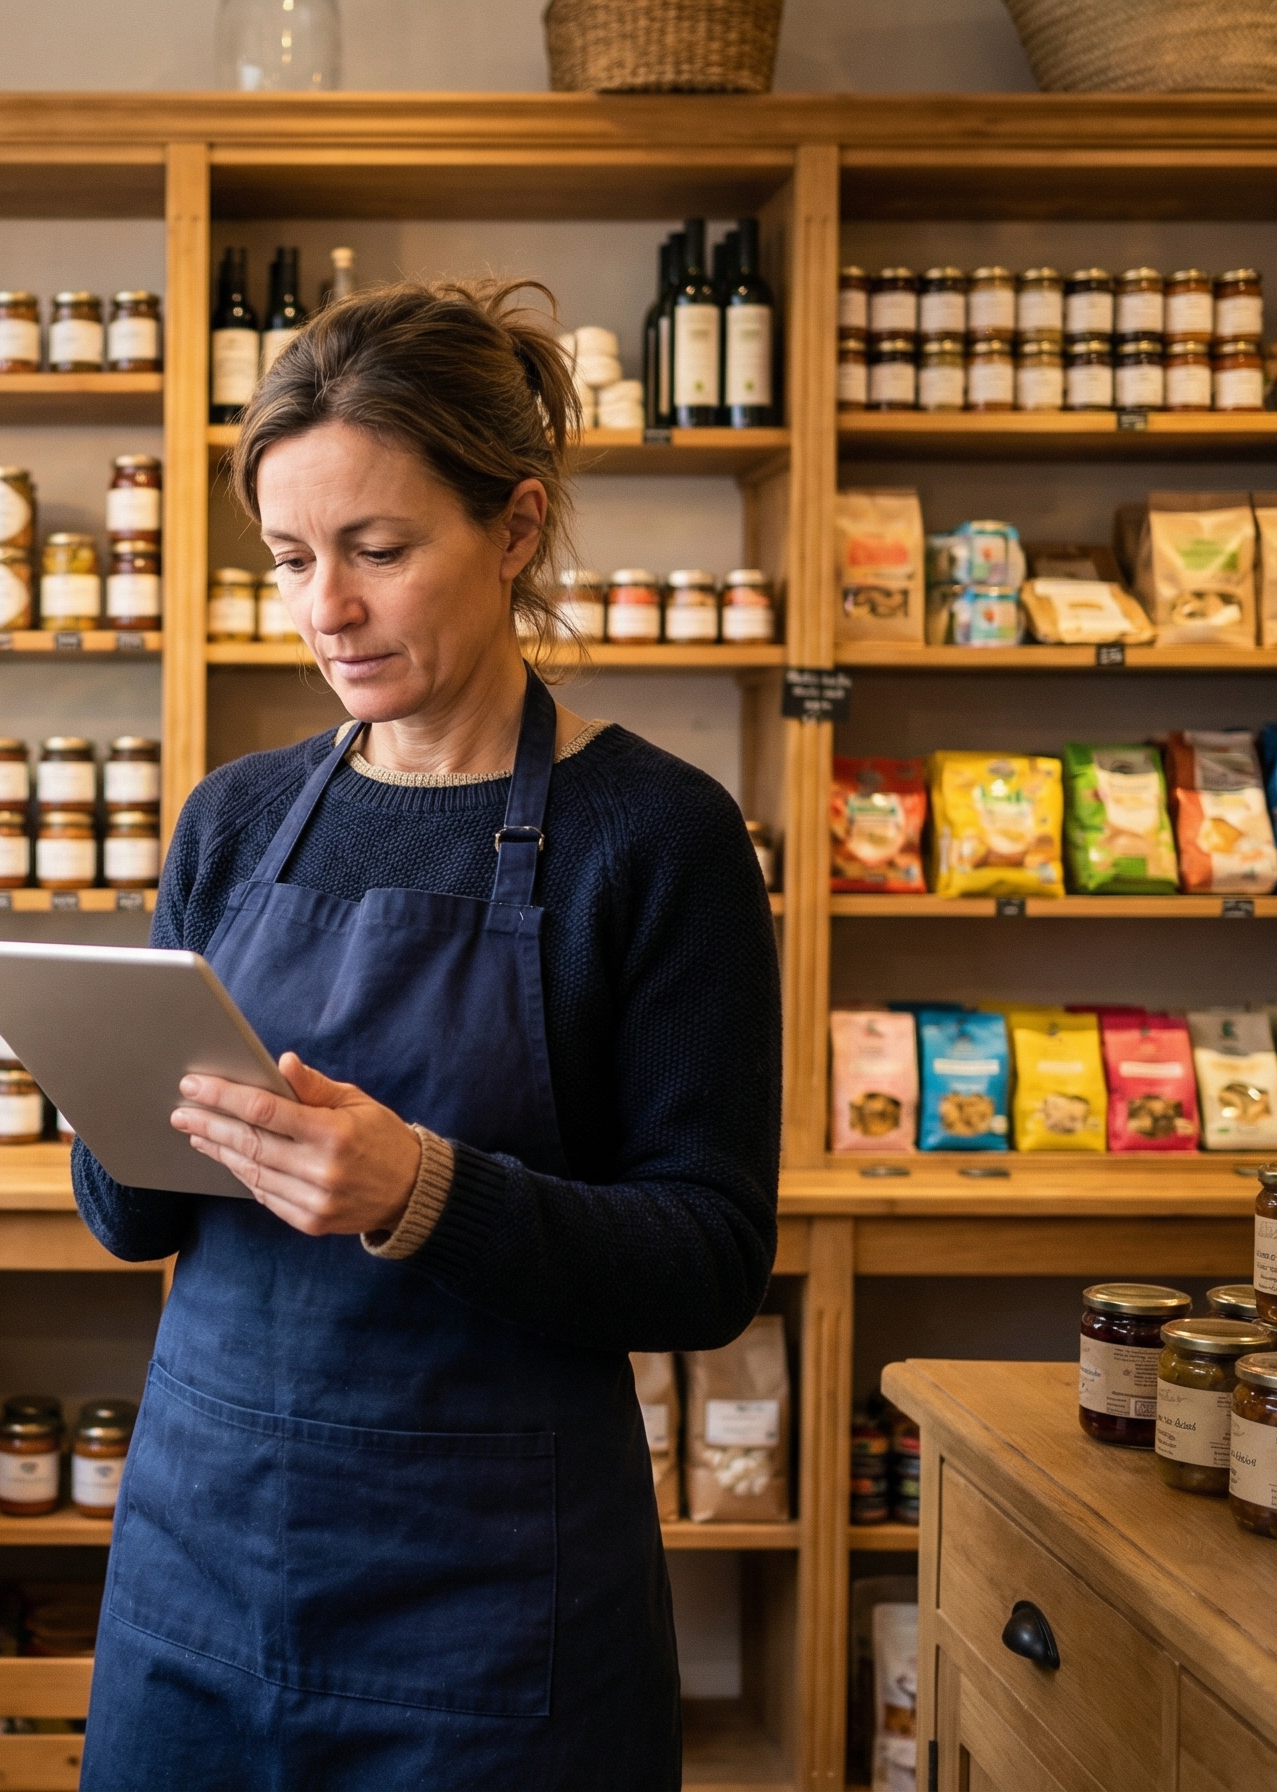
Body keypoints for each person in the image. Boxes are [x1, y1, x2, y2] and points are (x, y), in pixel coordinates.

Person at [71, 280, 781, 1789]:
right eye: (290, 558)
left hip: (493, 1615)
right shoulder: (236, 820)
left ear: (515, 528)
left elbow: (711, 1258)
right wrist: (116, 1101)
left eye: (378, 551)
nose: (325, 607)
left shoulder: (656, 836)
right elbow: (132, 1225)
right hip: (202, 1573)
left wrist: (421, 1190)